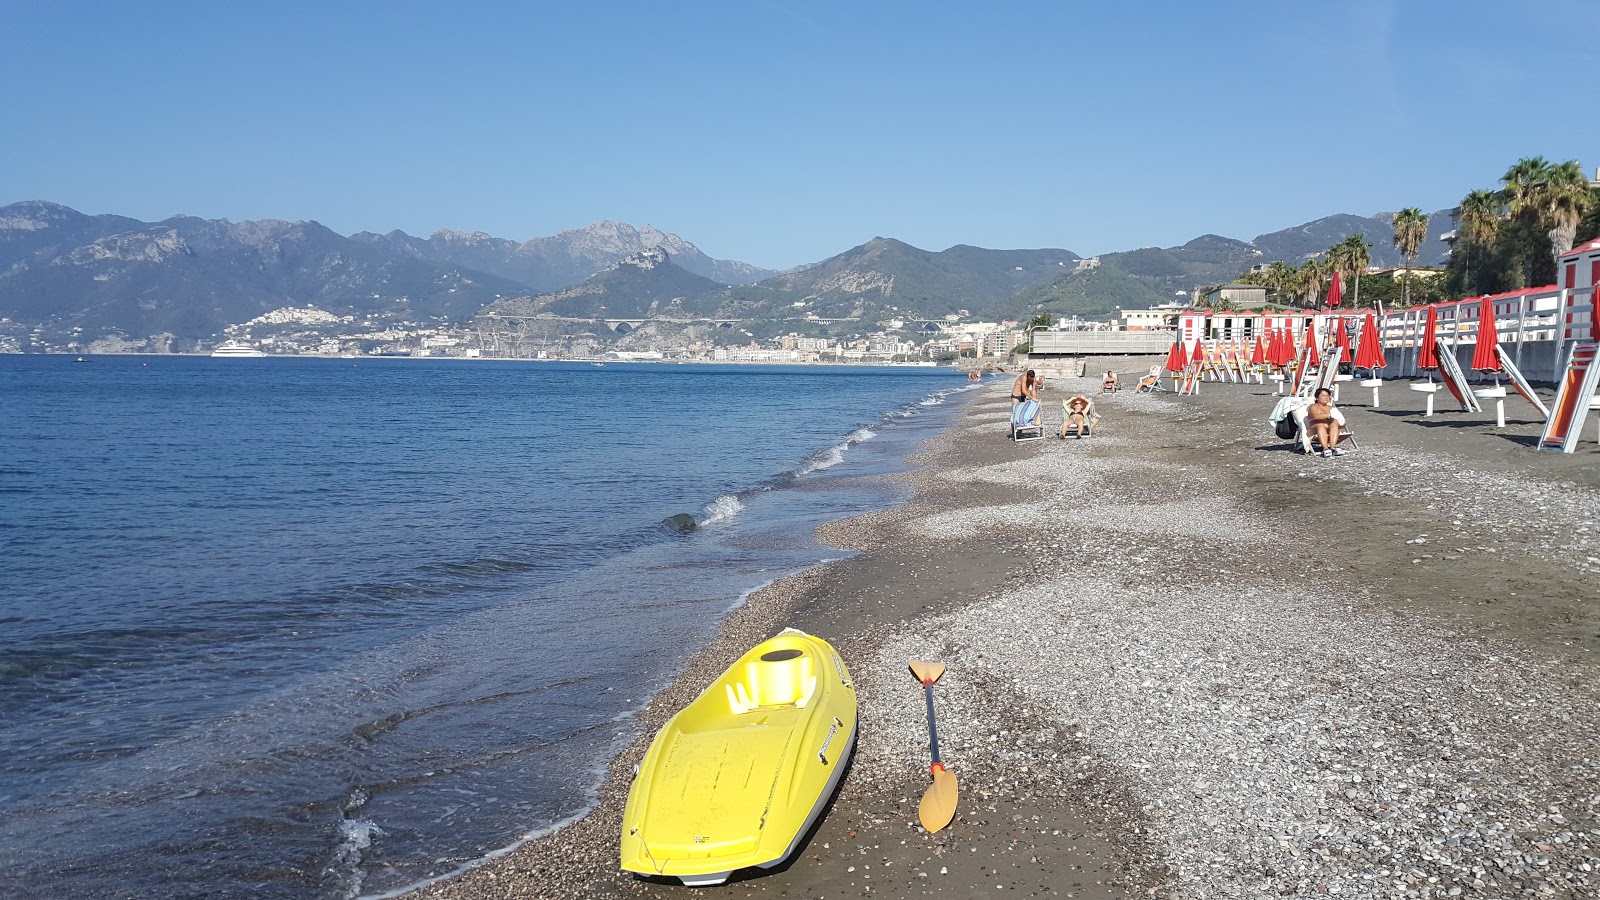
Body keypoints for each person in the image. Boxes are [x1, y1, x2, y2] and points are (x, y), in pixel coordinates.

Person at [1306, 387, 1345, 457]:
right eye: (1323, 396)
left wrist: (1340, 421)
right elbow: (1316, 417)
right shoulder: (1313, 407)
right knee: (1320, 425)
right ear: (1317, 398)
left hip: (1328, 430)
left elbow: (1342, 424)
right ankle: (1325, 448)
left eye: (1327, 396)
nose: (1326, 398)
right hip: (1313, 430)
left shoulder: (1332, 409)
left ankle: (1333, 448)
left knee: (1335, 422)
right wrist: (1329, 415)